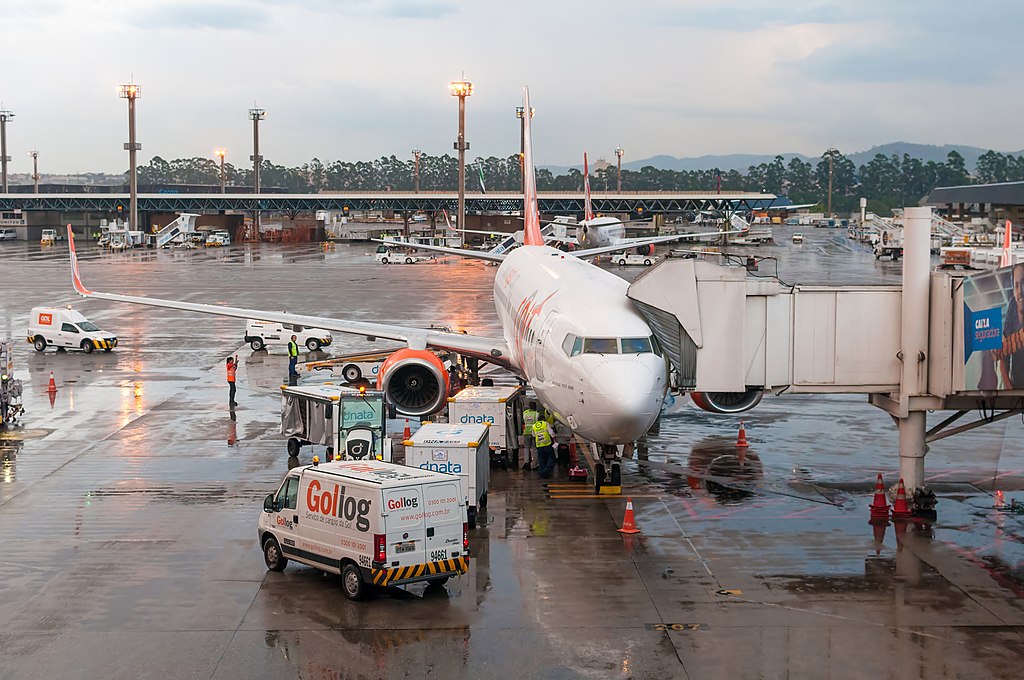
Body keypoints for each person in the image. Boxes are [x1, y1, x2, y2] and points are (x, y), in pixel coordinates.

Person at [998, 264, 1024, 389]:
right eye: (1017, 285)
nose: (1020, 291)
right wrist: (1007, 384)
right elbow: (1004, 351)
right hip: (1017, 382)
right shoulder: (1013, 305)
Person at [521, 401, 540, 470]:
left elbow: (523, 421)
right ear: (535, 407)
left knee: (526, 447)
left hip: (526, 432)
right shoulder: (537, 414)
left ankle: (526, 462)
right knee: (534, 448)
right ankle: (534, 464)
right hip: (534, 433)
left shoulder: (525, 413)